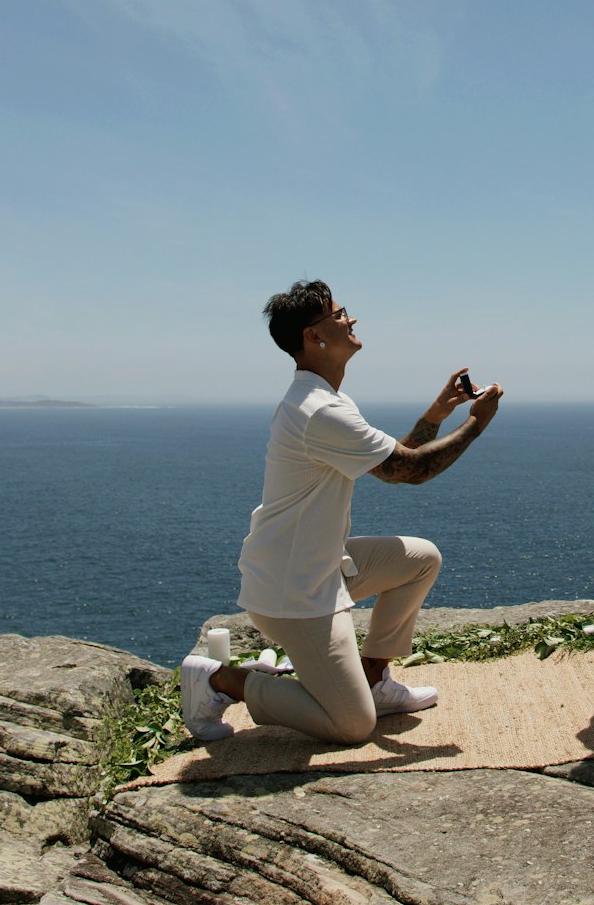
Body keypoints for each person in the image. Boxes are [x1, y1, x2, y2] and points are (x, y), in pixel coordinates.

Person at [181, 279, 502, 744]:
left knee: (420, 559)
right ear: (315, 337)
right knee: (351, 725)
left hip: (318, 567)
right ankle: (223, 680)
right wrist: (475, 426)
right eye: (340, 314)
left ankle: (373, 679)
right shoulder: (318, 411)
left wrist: (439, 411)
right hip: (295, 594)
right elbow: (408, 472)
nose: (351, 319)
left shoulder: (329, 402)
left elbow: (392, 459)